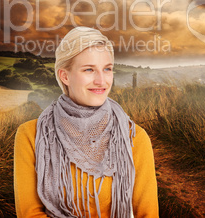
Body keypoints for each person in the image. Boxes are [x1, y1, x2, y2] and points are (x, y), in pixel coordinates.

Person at [14, 27, 159, 217]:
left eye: (107, 69)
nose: (101, 80)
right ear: (64, 76)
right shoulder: (31, 135)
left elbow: (148, 215)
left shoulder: (133, 137)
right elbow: (29, 214)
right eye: (89, 69)